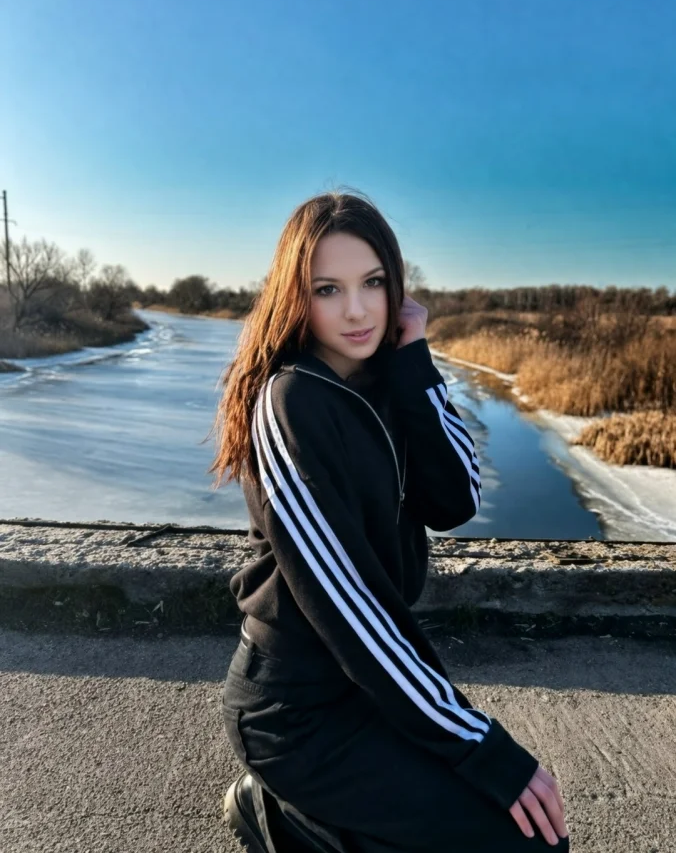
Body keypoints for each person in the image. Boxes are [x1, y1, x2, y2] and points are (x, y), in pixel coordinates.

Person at [209, 189, 570, 852]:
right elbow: (347, 602)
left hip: (370, 688)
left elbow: (456, 499)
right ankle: (283, 818)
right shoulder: (289, 402)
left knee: (528, 837)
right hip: (295, 713)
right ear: (295, 297)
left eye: (373, 283)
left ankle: (303, 820)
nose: (356, 309)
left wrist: (414, 365)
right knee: (521, 841)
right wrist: (480, 744)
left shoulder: (387, 379)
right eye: (327, 289)